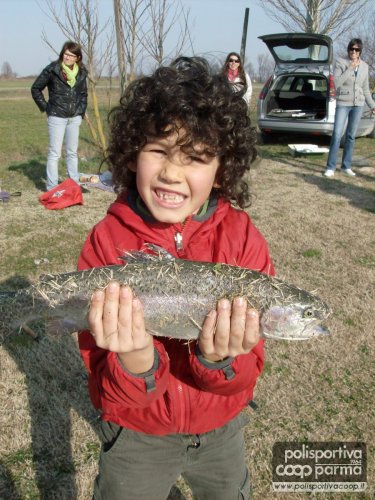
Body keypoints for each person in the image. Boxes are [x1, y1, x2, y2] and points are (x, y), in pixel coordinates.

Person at [78, 56, 274, 500]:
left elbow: (249, 368)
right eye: (159, 151)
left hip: (221, 429)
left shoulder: (244, 241)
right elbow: (103, 381)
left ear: (223, 168)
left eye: (197, 158)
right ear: (132, 153)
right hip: (137, 434)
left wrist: (218, 361)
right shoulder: (106, 242)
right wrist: (137, 360)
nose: (171, 173)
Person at [31, 41, 88, 191]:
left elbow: (83, 94)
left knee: (72, 152)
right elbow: (36, 88)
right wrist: (46, 108)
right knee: (54, 153)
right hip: (57, 116)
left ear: (78, 58)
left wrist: (81, 111)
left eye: (71, 55)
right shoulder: (52, 69)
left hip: (74, 118)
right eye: (65, 53)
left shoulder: (82, 73)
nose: (67, 57)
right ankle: (52, 187)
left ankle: (74, 184)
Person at [324, 38, 375, 177]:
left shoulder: (365, 66)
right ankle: (331, 167)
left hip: (358, 104)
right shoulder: (341, 62)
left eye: (357, 49)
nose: (354, 51)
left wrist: (372, 105)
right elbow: (337, 83)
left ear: (360, 52)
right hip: (343, 103)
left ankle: (346, 166)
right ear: (348, 50)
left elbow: (365, 89)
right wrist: (350, 68)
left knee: (351, 136)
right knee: (337, 134)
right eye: (352, 49)